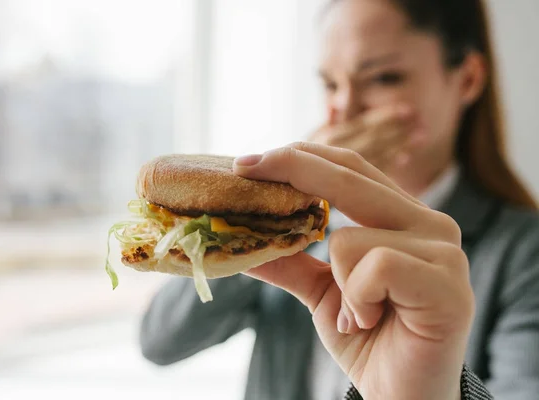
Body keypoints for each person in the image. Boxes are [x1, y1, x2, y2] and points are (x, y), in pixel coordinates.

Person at [139, 0, 539, 399]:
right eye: (330, 84)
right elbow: (160, 340)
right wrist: (254, 221)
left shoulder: (524, 249)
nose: (344, 109)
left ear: (467, 79)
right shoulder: (294, 224)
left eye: (384, 78)